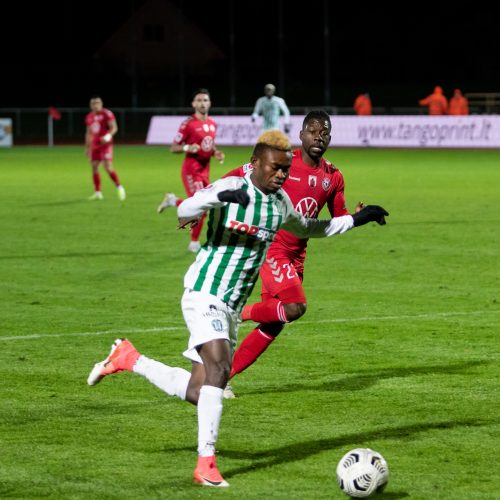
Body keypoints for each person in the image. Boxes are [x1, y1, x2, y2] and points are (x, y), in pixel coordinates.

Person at [87, 130, 389, 488]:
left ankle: (128, 358)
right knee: (220, 367)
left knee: (200, 391)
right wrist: (216, 198)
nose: (281, 176)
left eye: (285, 170)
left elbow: (311, 227)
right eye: (276, 169)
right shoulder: (231, 185)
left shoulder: (278, 205)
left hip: (230, 305)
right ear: (256, 163)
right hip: (204, 291)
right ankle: (206, 465)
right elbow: (183, 209)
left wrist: (357, 219)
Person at [221, 111, 364, 398]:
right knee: (295, 306)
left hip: (297, 255)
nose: (318, 136)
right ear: (301, 135)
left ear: (330, 139)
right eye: (312, 130)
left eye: (324, 132)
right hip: (271, 246)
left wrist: (355, 218)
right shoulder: (284, 161)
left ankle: (222, 378)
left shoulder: (333, 177)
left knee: (274, 323)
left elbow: (338, 218)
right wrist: (203, 202)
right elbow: (239, 173)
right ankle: (237, 312)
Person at [157, 88, 225, 253]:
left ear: (210, 103)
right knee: (201, 206)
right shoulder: (188, 124)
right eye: (199, 100)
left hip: (204, 171)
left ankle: (173, 200)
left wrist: (216, 152)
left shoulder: (212, 124)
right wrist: (188, 147)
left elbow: (209, 143)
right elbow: (173, 147)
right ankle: (194, 243)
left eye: (205, 100)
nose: (202, 103)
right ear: (194, 104)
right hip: (191, 170)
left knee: (208, 205)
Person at [85, 97, 126, 200]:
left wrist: (108, 136)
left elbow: (114, 128)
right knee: (94, 167)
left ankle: (120, 187)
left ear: (101, 104)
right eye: (93, 103)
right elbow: (88, 133)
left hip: (106, 144)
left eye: (97, 103)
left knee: (107, 167)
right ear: (90, 105)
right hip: (95, 145)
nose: (96, 105)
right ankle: (98, 193)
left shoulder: (107, 113)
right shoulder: (89, 117)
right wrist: (87, 148)